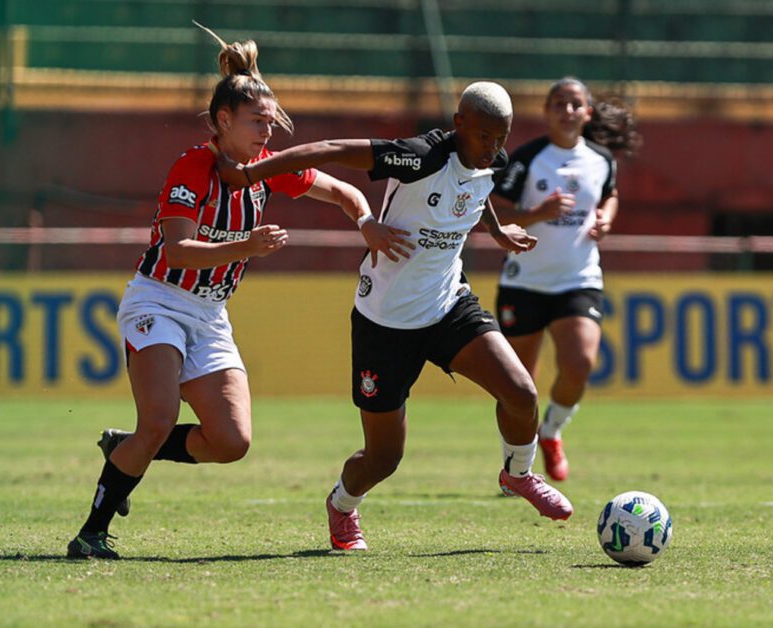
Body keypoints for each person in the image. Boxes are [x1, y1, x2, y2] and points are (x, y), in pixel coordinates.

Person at [66, 25, 406, 559]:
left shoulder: (266, 170)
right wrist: (245, 244)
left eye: (271, 125)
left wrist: (365, 221)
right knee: (156, 419)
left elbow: (343, 190)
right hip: (158, 300)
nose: (267, 135)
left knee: (232, 442)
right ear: (223, 121)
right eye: (257, 123)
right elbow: (177, 251)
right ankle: (92, 532)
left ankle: (125, 451)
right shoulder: (193, 167)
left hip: (210, 313)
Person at [221, 81, 574, 551]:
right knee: (385, 458)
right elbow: (328, 150)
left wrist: (496, 229)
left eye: (500, 138)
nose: (493, 148)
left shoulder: (491, 162)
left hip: (449, 306)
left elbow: (476, 186)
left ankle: (518, 474)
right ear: (459, 124)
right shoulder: (417, 157)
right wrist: (251, 174)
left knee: (522, 393)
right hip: (384, 322)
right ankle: (342, 505)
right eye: (484, 136)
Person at [490, 77, 641, 485]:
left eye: (575, 104)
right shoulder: (525, 159)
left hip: (578, 278)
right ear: (546, 111)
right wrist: (538, 213)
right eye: (559, 103)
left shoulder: (601, 159)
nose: (567, 111)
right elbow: (492, 216)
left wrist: (607, 216)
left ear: (587, 113)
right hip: (525, 279)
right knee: (519, 383)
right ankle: (515, 464)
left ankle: (552, 432)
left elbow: (609, 193)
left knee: (580, 363)